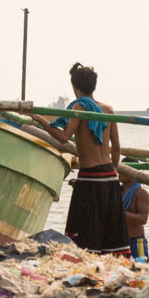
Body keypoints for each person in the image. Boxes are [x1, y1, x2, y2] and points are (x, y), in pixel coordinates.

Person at [35, 62, 130, 256]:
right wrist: (113, 172)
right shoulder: (108, 109)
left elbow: (63, 137)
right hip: (110, 175)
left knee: (85, 235)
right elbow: (117, 147)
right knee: (109, 235)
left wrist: (40, 120)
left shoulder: (78, 108)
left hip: (91, 176)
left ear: (74, 87)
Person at [121, 176, 149, 262]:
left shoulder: (141, 193)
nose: (119, 173)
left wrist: (121, 213)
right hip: (119, 242)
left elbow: (143, 219)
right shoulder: (118, 191)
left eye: (122, 171)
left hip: (135, 241)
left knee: (140, 270)